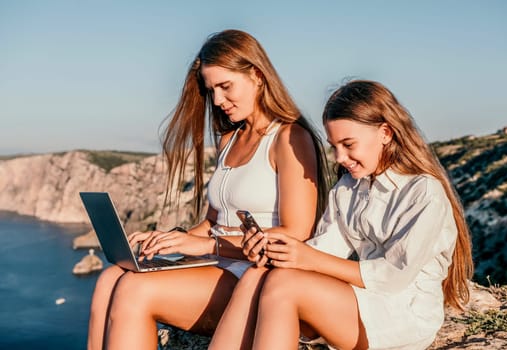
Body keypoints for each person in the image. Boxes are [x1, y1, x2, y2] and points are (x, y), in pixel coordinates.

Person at [86, 29, 331, 350]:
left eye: (225, 86)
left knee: (135, 290)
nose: (217, 100)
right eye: (211, 90)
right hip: (216, 266)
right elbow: (211, 222)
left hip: (255, 273)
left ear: (257, 75)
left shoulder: (288, 138)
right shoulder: (229, 141)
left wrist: (206, 246)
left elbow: (296, 233)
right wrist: (169, 238)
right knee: (108, 279)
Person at [240, 79, 473, 349]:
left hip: (404, 313)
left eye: (348, 144)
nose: (339, 157)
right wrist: (276, 252)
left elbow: (392, 276)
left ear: (385, 133)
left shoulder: (423, 192)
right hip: (362, 299)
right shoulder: (348, 189)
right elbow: (323, 251)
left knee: (283, 286)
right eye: (334, 146)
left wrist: (309, 258)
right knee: (259, 275)